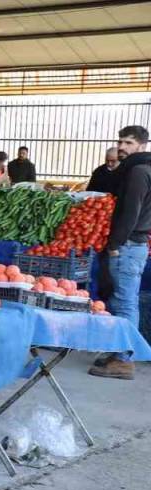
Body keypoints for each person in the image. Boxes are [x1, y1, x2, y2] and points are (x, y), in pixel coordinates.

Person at [90, 125, 151, 380]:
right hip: (135, 243)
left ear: (142, 145)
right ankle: (119, 352)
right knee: (120, 299)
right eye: (120, 142)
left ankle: (125, 360)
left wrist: (114, 245)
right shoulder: (142, 169)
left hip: (128, 245)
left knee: (124, 301)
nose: (122, 147)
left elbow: (129, 212)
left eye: (128, 143)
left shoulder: (137, 171)